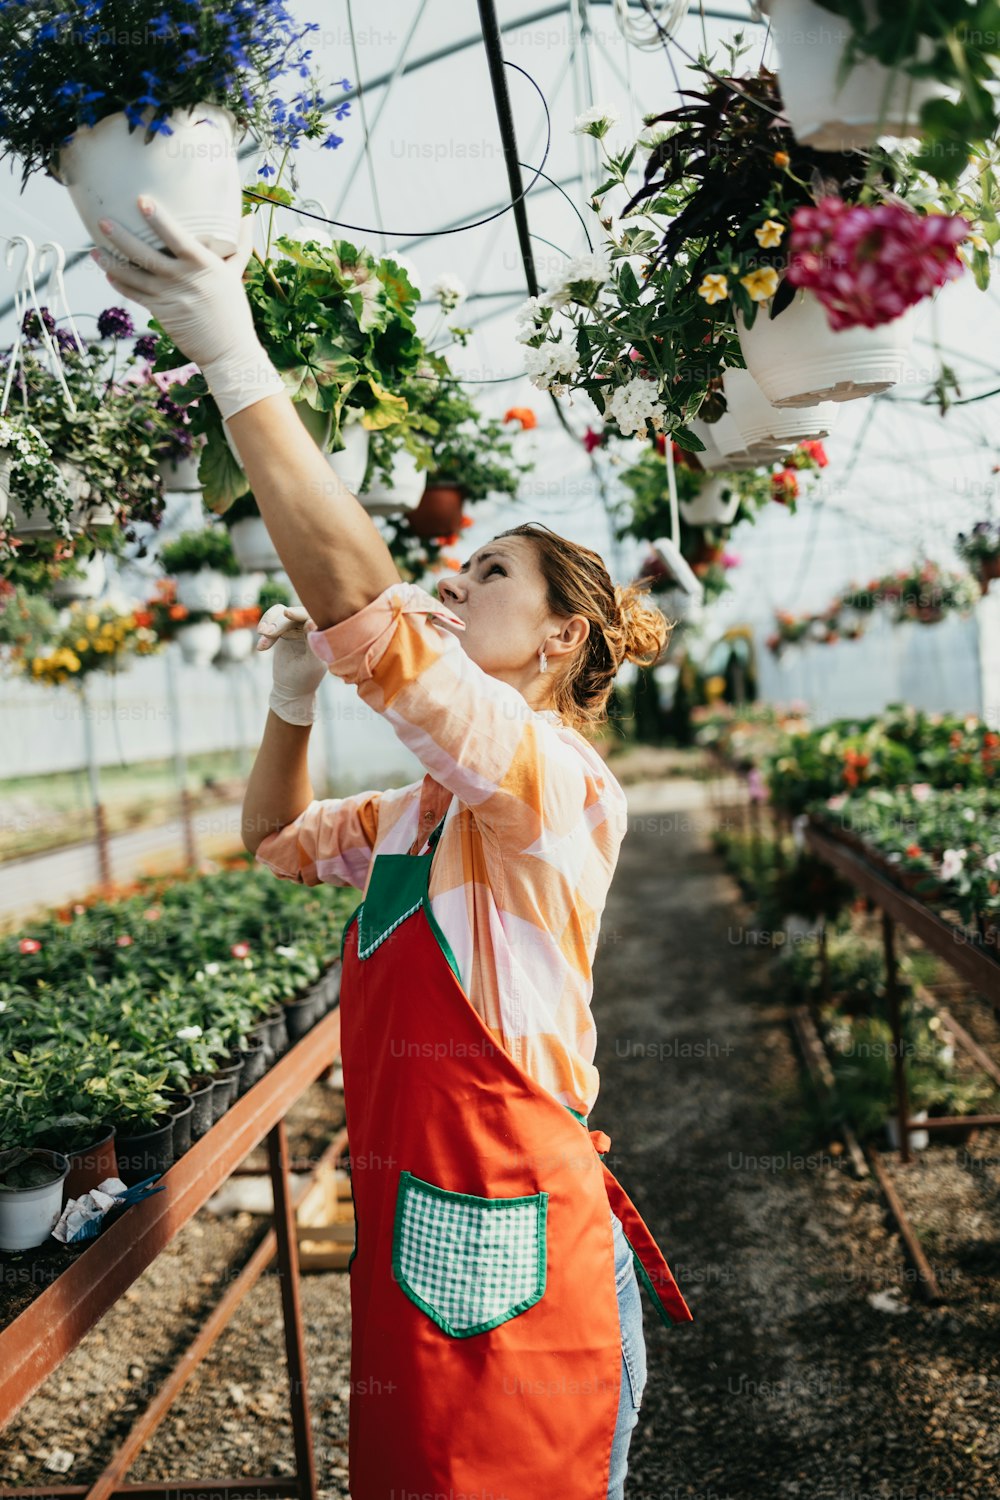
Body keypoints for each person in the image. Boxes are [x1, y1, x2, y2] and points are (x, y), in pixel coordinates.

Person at [93, 199, 693, 1500]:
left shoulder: (556, 789)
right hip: (427, 1252)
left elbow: (381, 623)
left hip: (518, 1271)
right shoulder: (422, 817)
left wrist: (228, 350)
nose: (456, 581)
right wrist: (293, 699)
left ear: (558, 644)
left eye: (490, 577)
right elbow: (274, 840)